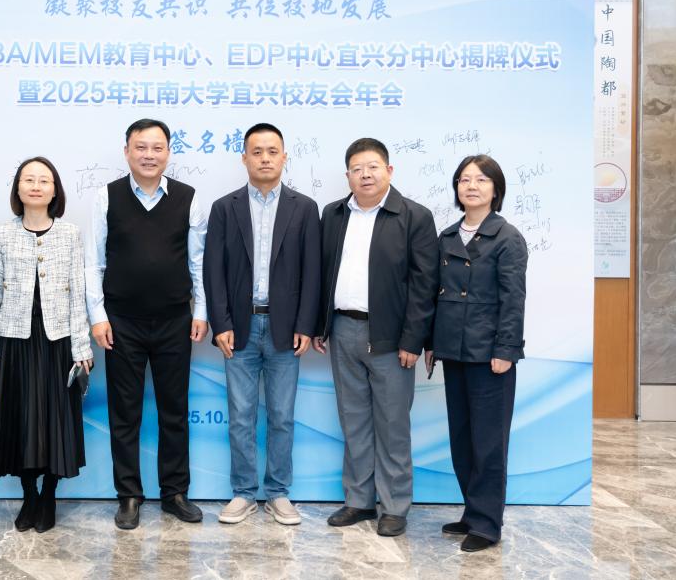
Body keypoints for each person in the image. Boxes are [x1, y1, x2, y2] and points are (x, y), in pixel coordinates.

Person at [86, 117, 208, 530]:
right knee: (125, 413)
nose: (149, 155)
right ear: (127, 152)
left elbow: (197, 262)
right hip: (121, 322)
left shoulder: (189, 198)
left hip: (175, 320)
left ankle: (175, 493)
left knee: (175, 410)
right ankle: (129, 495)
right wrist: (98, 317)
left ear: (168, 153)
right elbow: (94, 262)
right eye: (141, 147)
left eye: (157, 148)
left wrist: (201, 311)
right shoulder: (106, 197)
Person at [313, 138, 438, 537]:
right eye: (357, 169)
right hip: (342, 329)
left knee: (392, 423)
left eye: (372, 167)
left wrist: (413, 340)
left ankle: (395, 506)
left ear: (389, 170)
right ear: (347, 175)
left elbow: (424, 285)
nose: (365, 175)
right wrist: (320, 325)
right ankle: (359, 501)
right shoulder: (333, 214)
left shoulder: (414, 216)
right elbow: (322, 272)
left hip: (391, 337)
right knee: (353, 421)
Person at [204, 123, 321, 526]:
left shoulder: (304, 208)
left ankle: (278, 493)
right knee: (240, 415)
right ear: (244, 158)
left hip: (286, 329)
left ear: (284, 157)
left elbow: (313, 271)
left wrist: (306, 324)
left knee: (282, 416)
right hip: (239, 328)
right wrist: (220, 322)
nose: (265, 158)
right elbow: (213, 270)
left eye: (273, 151)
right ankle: (243, 492)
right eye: (257, 152)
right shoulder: (225, 207)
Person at [0, 156, 92, 534]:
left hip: (58, 340)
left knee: (55, 420)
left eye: (44, 180)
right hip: (16, 340)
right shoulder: (2, 235)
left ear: (55, 190)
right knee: (21, 418)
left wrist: (81, 347)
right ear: (18, 188)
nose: (36, 186)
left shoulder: (70, 234)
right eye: (28, 179)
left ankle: (49, 495)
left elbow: (78, 293)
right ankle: (29, 494)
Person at [425, 154, 527, 552]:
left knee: (489, 442)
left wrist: (506, 349)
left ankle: (487, 524)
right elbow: (436, 295)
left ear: (495, 189)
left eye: (481, 180)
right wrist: (432, 342)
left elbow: (513, 300)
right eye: (464, 179)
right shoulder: (448, 236)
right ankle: (472, 511)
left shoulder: (507, 237)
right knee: (463, 439)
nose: (471, 186)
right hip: (454, 351)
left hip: (490, 355)